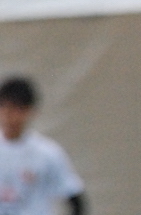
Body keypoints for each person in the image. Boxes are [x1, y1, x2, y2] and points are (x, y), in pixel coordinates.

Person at [0, 76, 86, 215]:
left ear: (31, 111)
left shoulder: (47, 153)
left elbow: (74, 197)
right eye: (5, 107)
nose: (10, 116)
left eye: (18, 109)